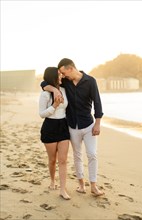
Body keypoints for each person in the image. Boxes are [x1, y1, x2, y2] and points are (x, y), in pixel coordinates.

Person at [41, 59, 104, 196]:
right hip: (72, 126)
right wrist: (53, 89)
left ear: (70, 68)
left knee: (92, 154)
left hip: (88, 124)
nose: (62, 76)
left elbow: (97, 102)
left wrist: (98, 123)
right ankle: (81, 185)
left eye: (63, 72)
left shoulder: (90, 81)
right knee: (77, 155)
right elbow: (44, 83)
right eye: (61, 74)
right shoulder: (66, 82)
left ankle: (93, 185)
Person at [39, 67, 71, 200]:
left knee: (63, 160)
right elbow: (41, 114)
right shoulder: (45, 94)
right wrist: (55, 105)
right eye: (59, 74)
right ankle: (52, 181)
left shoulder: (64, 89)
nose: (61, 76)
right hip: (50, 127)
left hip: (63, 126)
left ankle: (63, 190)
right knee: (52, 160)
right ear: (52, 76)